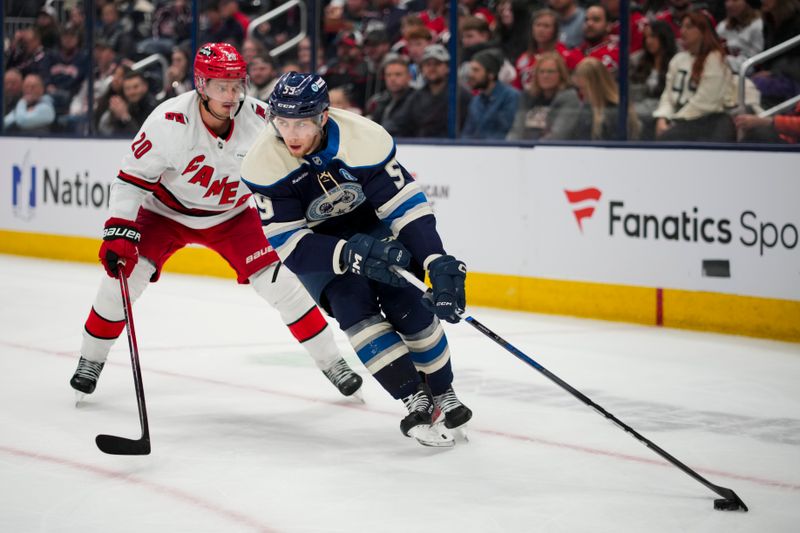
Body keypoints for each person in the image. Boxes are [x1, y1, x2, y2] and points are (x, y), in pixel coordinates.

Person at [69, 44, 362, 403]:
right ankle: (91, 360)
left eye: (237, 84)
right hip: (165, 213)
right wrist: (118, 229)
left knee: (283, 285)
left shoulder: (260, 120)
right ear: (201, 84)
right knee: (122, 282)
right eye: (221, 86)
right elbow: (131, 180)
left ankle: (333, 362)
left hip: (234, 216)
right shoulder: (168, 122)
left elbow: (292, 169)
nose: (231, 94)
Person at [239, 72, 472, 447]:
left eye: (301, 123)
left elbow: (405, 207)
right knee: (351, 306)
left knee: (407, 301)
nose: (291, 134)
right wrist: (349, 254)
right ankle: (414, 397)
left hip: (375, 228)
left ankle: (444, 391)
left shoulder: (365, 139)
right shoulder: (263, 163)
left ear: (323, 117)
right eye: (282, 123)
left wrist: (434, 260)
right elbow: (289, 243)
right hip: (319, 244)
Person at [653, 11, 736, 142]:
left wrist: (674, 120)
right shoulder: (678, 59)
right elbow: (667, 96)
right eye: (682, 26)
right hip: (679, 118)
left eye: (689, 27)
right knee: (645, 125)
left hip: (709, 121)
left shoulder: (715, 59)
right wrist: (662, 118)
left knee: (669, 137)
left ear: (703, 31)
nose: (683, 31)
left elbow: (706, 102)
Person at [507, 52, 580, 140]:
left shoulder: (570, 97)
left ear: (561, 75)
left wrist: (534, 148)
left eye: (551, 72)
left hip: (552, 149)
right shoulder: (527, 96)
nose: (545, 76)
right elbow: (517, 129)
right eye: (541, 72)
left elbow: (559, 134)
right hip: (525, 149)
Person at [571, 57, 640, 139]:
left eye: (583, 88)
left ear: (595, 85)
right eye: (578, 88)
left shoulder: (615, 111)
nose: (581, 93)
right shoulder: (587, 108)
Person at [462, 49, 520, 139]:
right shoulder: (476, 101)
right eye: (471, 70)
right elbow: (468, 133)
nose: (471, 75)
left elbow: (506, 132)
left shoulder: (511, 96)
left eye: (476, 70)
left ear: (491, 74)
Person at [715, 0, 764, 72]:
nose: (729, 4)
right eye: (727, 0)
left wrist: (723, 61)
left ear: (748, 3)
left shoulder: (758, 26)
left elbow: (754, 65)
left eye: (735, 0)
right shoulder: (722, 26)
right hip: (723, 72)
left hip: (748, 76)